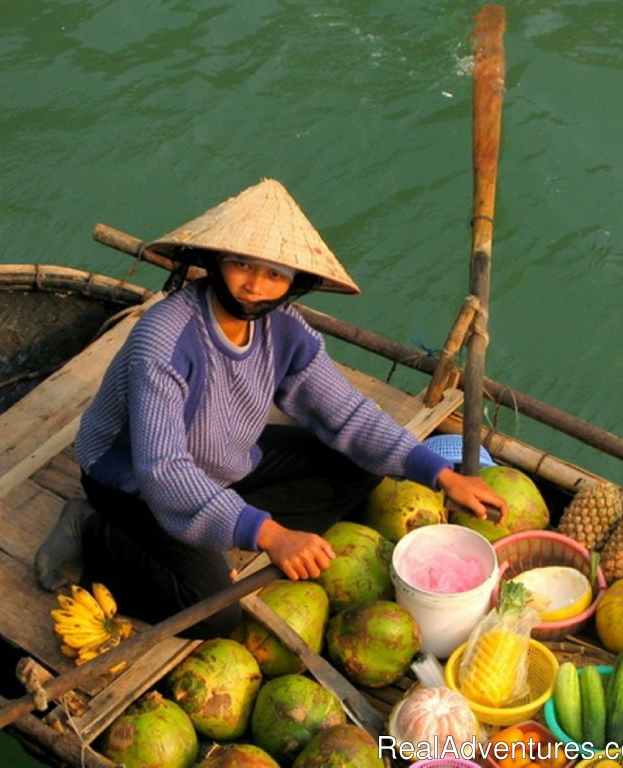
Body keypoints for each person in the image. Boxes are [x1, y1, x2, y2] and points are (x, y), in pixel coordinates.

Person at [35, 179, 506, 637]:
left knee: (359, 466)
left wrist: (441, 475)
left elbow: (346, 414)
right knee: (214, 616)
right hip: (131, 480)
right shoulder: (164, 337)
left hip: (222, 455)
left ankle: (222, 521)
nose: (254, 287)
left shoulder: (284, 329)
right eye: (241, 264)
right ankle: (91, 528)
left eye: (275, 274)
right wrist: (270, 534)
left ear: (294, 283)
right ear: (215, 260)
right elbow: (163, 469)